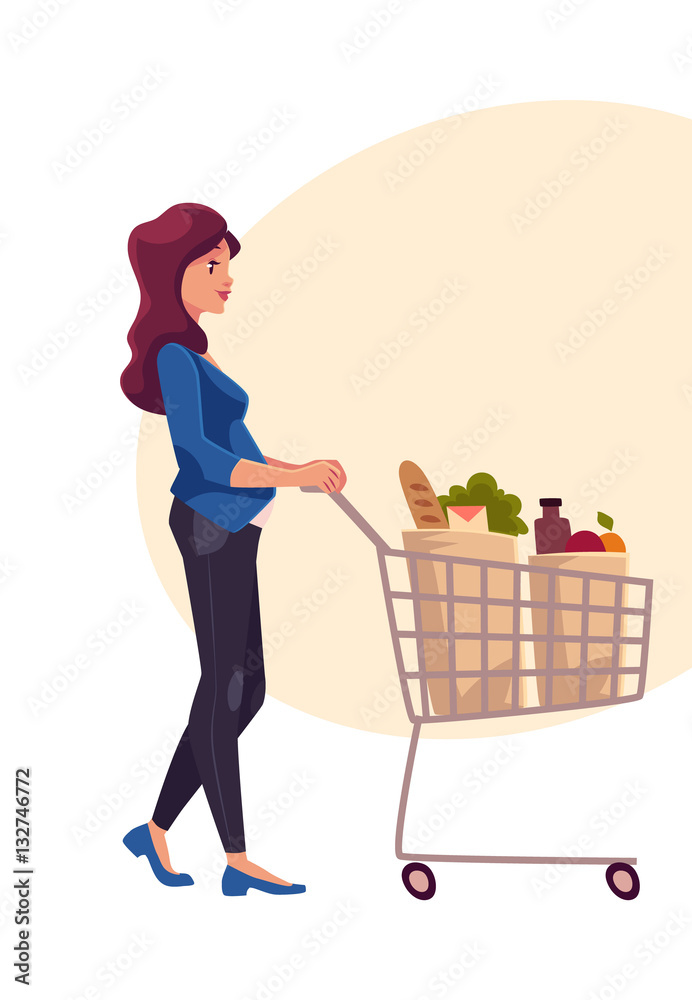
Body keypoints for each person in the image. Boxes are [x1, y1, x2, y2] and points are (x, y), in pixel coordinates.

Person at [119, 203, 345, 896]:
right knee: (225, 687)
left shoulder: (197, 352)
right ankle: (237, 859)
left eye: (228, 264)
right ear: (175, 272)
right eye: (213, 264)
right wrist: (293, 478)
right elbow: (203, 459)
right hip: (209, 525)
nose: (228, 277)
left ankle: (154, 829)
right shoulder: (173, 355)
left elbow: (239, 448)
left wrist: (297, 470)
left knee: (246, 692)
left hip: (235, 527)